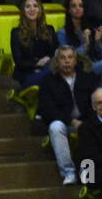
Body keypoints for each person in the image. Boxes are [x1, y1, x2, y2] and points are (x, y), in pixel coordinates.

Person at [38, 45, 98, 185]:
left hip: (86, 121)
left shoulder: (88, 78)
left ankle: (88, 178)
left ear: (76, 60)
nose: (67, 61)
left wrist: (85, 122)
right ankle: (68, 172)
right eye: (63, 58)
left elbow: (96, 103)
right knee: (55, 127)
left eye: (70, 57)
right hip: (64, 122)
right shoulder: (48, 82)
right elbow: (47, 110)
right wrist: (71, 121)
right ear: (57, 62)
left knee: (92, 127)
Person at [11, 0, 58, 89]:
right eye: (28, 6)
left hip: (48, 69)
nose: (32, 9)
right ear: (23, 11)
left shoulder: (49, 29)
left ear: (40, 10)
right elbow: (19, 61)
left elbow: (56, 52)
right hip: (27, 75)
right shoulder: (16, 33)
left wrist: (48, 59)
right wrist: (38, 64)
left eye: (35, 6)